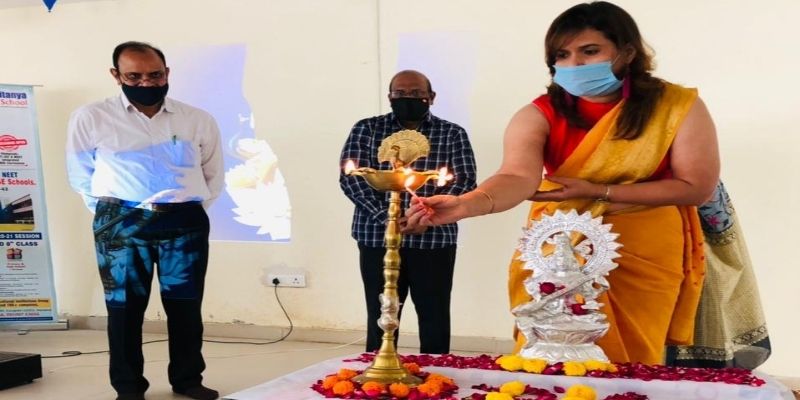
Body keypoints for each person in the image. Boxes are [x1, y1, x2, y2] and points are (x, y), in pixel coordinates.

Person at [405, 2, 722, 365]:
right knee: (548, 357)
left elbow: (696, 186)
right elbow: (517, 176)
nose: (575, 64)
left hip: (643, 249)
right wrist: (466, 204)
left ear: (627, 52)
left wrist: (599, 192)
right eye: (562, 55)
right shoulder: (539, 113)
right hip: (557, 246)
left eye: (590, 51)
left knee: (629, 366)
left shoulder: (676, 107)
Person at [65, 41, 222, 400]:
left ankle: (188, 380)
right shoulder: (91, 117)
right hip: (119, 222)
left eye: (155, 75)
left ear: (167, 73)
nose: (146, 83)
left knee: (185, 305)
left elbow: (213, 173)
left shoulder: (196, 119)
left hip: (184, 222)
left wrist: (185, 208)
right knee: (123, 309)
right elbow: (80, 174)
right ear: (116, 75)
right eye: (134, 76)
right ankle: (128, 386)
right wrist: (114, 215)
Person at [339, 70, 477, 354]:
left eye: (416, 94)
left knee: (435, 314)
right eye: (400, 94)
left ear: (431, 97)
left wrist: (424, 215)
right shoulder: (367, 129)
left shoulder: (452, 133)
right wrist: (388, 217)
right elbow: (352, 179)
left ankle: (436, 370)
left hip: (434, 239)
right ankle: (378, 369)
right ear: (390, 97)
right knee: (381, 313)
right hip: (377, 237)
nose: (407, 99)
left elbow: (464, 181)